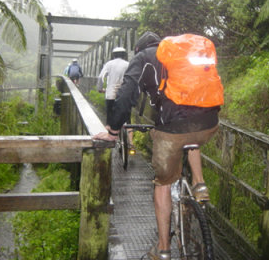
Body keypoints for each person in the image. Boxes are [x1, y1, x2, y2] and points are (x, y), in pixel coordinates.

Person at [93, 32, 221, 260]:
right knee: (191, 136)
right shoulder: (180, 54)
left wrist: (113, 131)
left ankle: (163, 249)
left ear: (138, 48)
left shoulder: (142, 58)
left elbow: (126, 96)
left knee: (162, 183)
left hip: (172, 129)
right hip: (210, 122)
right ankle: (200, 185)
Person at [96, 47, 134, 148]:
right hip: (124, 95)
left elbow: (100, 77)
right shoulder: (128, 64)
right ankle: (131, 142)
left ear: (113, 55)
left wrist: (100, 89)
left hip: (110, 95)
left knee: (110, 120)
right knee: (127, 119)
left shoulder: (109, 64)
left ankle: (110, 140)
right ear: (124, 55)